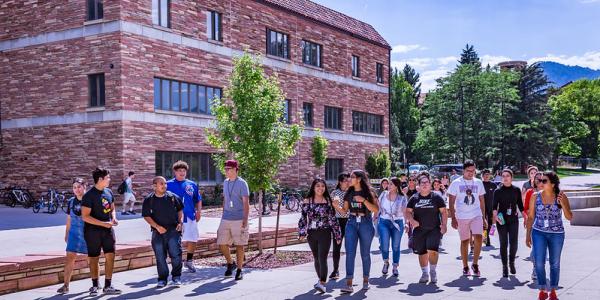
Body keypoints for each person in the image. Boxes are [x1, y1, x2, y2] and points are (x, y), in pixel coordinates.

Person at [526, 172, 573, 300]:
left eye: (544, 181)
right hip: (538, 232)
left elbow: (570, 217)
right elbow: (530, 217)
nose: (540, 183)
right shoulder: (535, 196)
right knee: (539, 262)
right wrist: (527, 235)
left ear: (552, 184)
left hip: (557, 234)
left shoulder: (561, 196)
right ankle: (542, 289)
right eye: (539, 180)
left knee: (555, 263)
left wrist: (562, 204)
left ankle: (552, 290)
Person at [335, 170, 379, 293]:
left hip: (366, 222)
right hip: (351, 223)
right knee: (350, 253)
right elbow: (344, 211)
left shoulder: (369, 192)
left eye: (352, 177)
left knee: (365, 254)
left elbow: (376, 209)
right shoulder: (349, 192)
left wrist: (363, 200)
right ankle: (349, 283)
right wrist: (336, 206)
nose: (349, 179)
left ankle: (366, 280)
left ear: (359, 179)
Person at [81, 168, 121, 295]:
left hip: (108, 231)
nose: (109, 180)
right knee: (94, 258)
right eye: (108, 178)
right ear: (100, 179)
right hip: (92, 232)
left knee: (111, 256)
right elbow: (85, 216)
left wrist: (114, 217)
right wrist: (103, 223)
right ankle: (94, 285)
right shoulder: (89, 196)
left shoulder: (108, 192)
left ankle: (108, 285)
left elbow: (112, 208)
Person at [298, 178, 342, 293]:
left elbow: (333, 219)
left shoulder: (328, 201)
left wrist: (337, 235)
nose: (320, 188)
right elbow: (303, 218)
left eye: (322, 186)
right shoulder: (307, 201)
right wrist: (302, 232)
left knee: (323, 257)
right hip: (311, 233)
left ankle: (322, 282)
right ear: (313, 187)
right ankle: (320, 280)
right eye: (318, 186)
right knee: (316, 257)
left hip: (325, 233)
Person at [405, 173, 448, 284]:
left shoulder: (436, 197)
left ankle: (433, 271)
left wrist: (444, 225)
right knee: (422, 252)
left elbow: (444, 212)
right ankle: (425, 273)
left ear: (430, 184)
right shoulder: (414, 198)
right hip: (419, 230)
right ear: (418, 185)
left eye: (427, 182)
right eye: (422, 183)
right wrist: (412, 221)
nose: (424, 184)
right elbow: (408, 212)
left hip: (434, 228)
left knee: (432, 250)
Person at [143, 176, 184, 288]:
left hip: (173, 231)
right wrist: (157, 226)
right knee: (160, 257)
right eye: (161, 183)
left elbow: (180, 209)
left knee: (176, 255)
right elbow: (146, 216)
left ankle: (176, 277)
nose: (164, 185)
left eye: (165, 183)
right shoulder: (149, 200)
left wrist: (180, 223)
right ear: (154, 186)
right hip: (158, 232)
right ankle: (162, 279)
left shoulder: (172, 197)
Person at [448, 160, 487, 277]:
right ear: (463, 171)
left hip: (476, 214)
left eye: (473, 171)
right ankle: (465, 266)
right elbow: (451, 201)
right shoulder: (456, 183)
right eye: (468, 171)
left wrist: (484, 217)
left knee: (479, 237)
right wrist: (453, 218)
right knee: (464, 241)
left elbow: (482, 200)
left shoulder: (478, 182)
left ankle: (475, 264)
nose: (471, 173)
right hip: (462, 216)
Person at [217, 160, 250, 280]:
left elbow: (246, 203)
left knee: (239, 244)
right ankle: (231, 263)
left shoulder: (242, 183)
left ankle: (240, 270)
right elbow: (225, 199)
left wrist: (245, 219)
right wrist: (223, 213)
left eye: (229, 169)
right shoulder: (225, 182)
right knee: (221, 243)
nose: (226, 171)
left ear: (236, 169)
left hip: (239, 218)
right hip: (226, 218)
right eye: (225, 169)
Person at [167, 161, 202, 273]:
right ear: (175, 172)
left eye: (184, 171)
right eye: (179, 171)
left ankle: (189, 261)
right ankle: (176, 263)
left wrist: (199, 212)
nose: (182, 173)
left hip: (190, 216)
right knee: (175, 241)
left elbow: (198, 199)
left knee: (193, 239)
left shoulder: (191, 184)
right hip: (174, 218)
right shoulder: (168, 184)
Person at [57, 178, 89, 294]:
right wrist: (66, 234)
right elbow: (69, 218)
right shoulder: (71, 201)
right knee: (70, 258)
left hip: (88, 233)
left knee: (92, 259)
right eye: (74, 187)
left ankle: (96, 283)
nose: (76, 189)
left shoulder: (90, 200)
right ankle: (66, 286)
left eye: (79, 187)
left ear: (85, 187)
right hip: (74, 233)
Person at [492, 169, 525, 277]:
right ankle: (504, 267)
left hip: (513, 219)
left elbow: (520, 205)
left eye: (507, 176)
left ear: (512, 178)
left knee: (514, 243)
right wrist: (495, 216)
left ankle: (511, 262)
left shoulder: (516, 190)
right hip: (501, 219)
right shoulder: (498, 191)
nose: (505, 178)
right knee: (503, 243)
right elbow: (494, 207)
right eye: (503, 176)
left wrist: (526, 217)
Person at [375, 177, 408, 277]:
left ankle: (395, 266)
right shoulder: (384, 194)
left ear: (396, 186)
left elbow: (404, 211)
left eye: (391, 184)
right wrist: (376, 215)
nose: (388, 186)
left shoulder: (402, 197)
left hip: (397, 223)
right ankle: (386, 262)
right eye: (388, 184)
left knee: (396, 245)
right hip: (384, 221)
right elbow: (378, 206)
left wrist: (406, 223)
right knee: (384, 245)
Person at [330, 172, 351, 279]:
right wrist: (342, 211)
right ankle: (335, 270)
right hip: (338, 222)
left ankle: (349, 272)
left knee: (350, 247)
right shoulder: (336, 193)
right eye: (345, 181)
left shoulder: (352, 192)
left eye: (348, 180)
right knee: (337, 246)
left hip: (350, 221)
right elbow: (336, 205)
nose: (347, 183)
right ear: (340, 182)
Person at [524, 172, 543, 281]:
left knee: (538, 250)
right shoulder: (530, 192)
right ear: (534, 180)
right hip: (533, 222)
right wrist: (528, 217)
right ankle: (536, 266)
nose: (540, 181)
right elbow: (525, 207)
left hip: (545, 224)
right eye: (537, 179)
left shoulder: (548, 192)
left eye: (542, 179)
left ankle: (536, 268)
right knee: (535, 250)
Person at [482, 169, 498, 247]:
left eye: (488, 174)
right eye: (485, 174)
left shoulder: (494, 185)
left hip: (492, 207)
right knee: (483, 223)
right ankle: (486, 238)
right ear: (482, 175)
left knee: (492, 223)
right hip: (482, 207)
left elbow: (498, 196)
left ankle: (487, 235)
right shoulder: (480, 184)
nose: (487, 176)